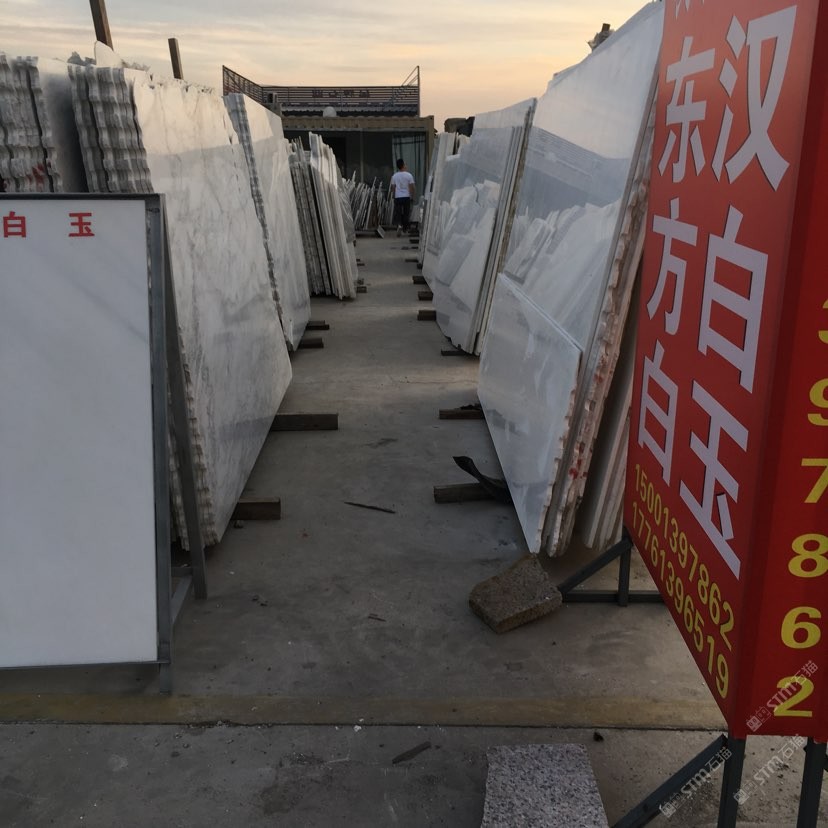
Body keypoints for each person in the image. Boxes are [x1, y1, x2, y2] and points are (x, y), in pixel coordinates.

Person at [390, 158, 415, 236]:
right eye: (405, 164)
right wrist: (412, 196)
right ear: (403, 165)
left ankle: (399, 225)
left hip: (398, 197)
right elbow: (412, 187)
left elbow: (393, 187)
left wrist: (394, 196)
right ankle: (404, 229)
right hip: (406, 197)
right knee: (406, 213)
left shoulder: (394, 176)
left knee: (398, 212)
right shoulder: (409, 175)